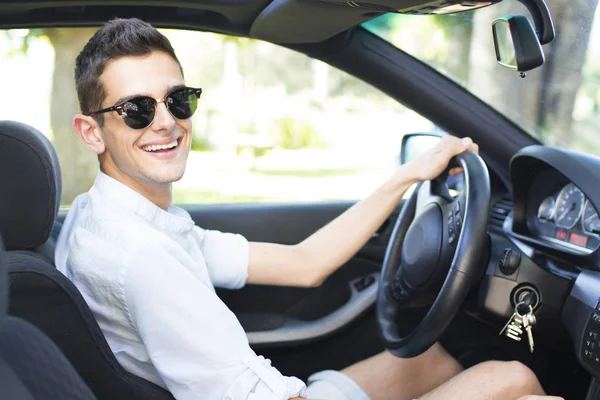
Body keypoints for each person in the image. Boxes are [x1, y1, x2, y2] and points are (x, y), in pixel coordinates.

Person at [55, 18, 563, 400]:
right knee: (512, 378)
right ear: (92, 131)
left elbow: (304, 265)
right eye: (137, 109)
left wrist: (407, 175)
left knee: (427, 360)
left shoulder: (109, 216)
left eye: (178, 101)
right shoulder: (143, 257)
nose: (166, 123)